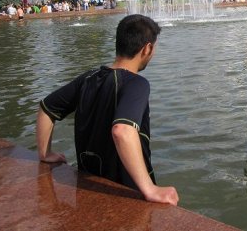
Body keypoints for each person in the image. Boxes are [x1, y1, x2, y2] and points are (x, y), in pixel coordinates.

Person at [36, 14, 179, 205]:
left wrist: (45, 153)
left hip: (89, 190)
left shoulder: (88, 78)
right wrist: (150, 189)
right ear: (147, 48)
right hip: (124, 193)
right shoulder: (136, 84)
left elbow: (47, 108)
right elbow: (122, 131)